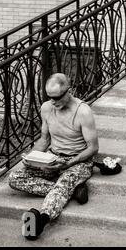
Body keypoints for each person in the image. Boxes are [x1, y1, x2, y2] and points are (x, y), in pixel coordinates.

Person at [8, 73, 99, 240]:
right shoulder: (46, 108)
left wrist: (68, 163)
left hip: (78, 161)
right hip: (53, 158)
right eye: (49, 97)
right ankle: (72, 191)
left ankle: (41, 220)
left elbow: (93, 148)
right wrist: (32, 158)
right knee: (15, 177)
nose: (53, 101)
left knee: (63, 183)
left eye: (57, 97)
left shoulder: (83, 111)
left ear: (69, 91)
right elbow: (44, 140)